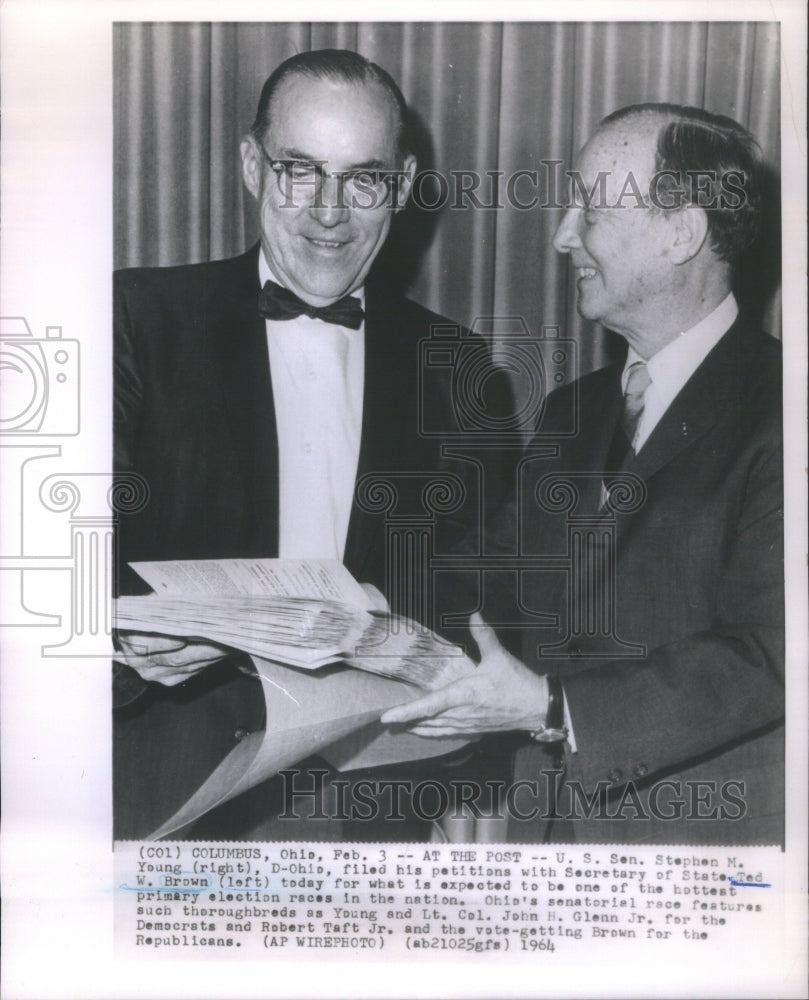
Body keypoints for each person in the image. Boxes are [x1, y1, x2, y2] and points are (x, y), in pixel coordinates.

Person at [113, 49, 512, 840]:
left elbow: (485, 585)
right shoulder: (138, 317)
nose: (329, 212)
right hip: (167, 786)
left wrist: (392, 620)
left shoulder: (458, 366)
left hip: (374, 795)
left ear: (400, 186)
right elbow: (64, 537)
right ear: (250, 166)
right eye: (299, 171)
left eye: (363, 179)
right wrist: (124, 639)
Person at [383, 103, 784, 845]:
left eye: (590, 211)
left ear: (681, 233)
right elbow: (487, 575)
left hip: (703, 852)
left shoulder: (786, 409)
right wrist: (329, 618)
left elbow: (773, 651)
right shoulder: (574, 408)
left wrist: (551, 707)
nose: (563, 236)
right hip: (549, 837)